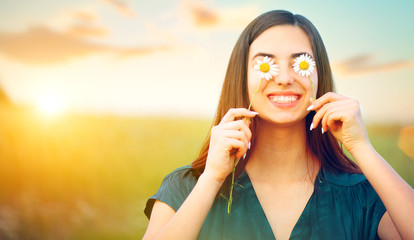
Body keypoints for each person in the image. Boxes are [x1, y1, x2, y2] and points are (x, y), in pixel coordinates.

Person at [142, 10, 414, 240]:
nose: (284, 77)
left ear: (320, 76)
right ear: (241, 76)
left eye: (301, 63)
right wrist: (212, 179)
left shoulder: (363, 195)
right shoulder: (186, 187)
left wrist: (361, 147)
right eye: (264, 63)